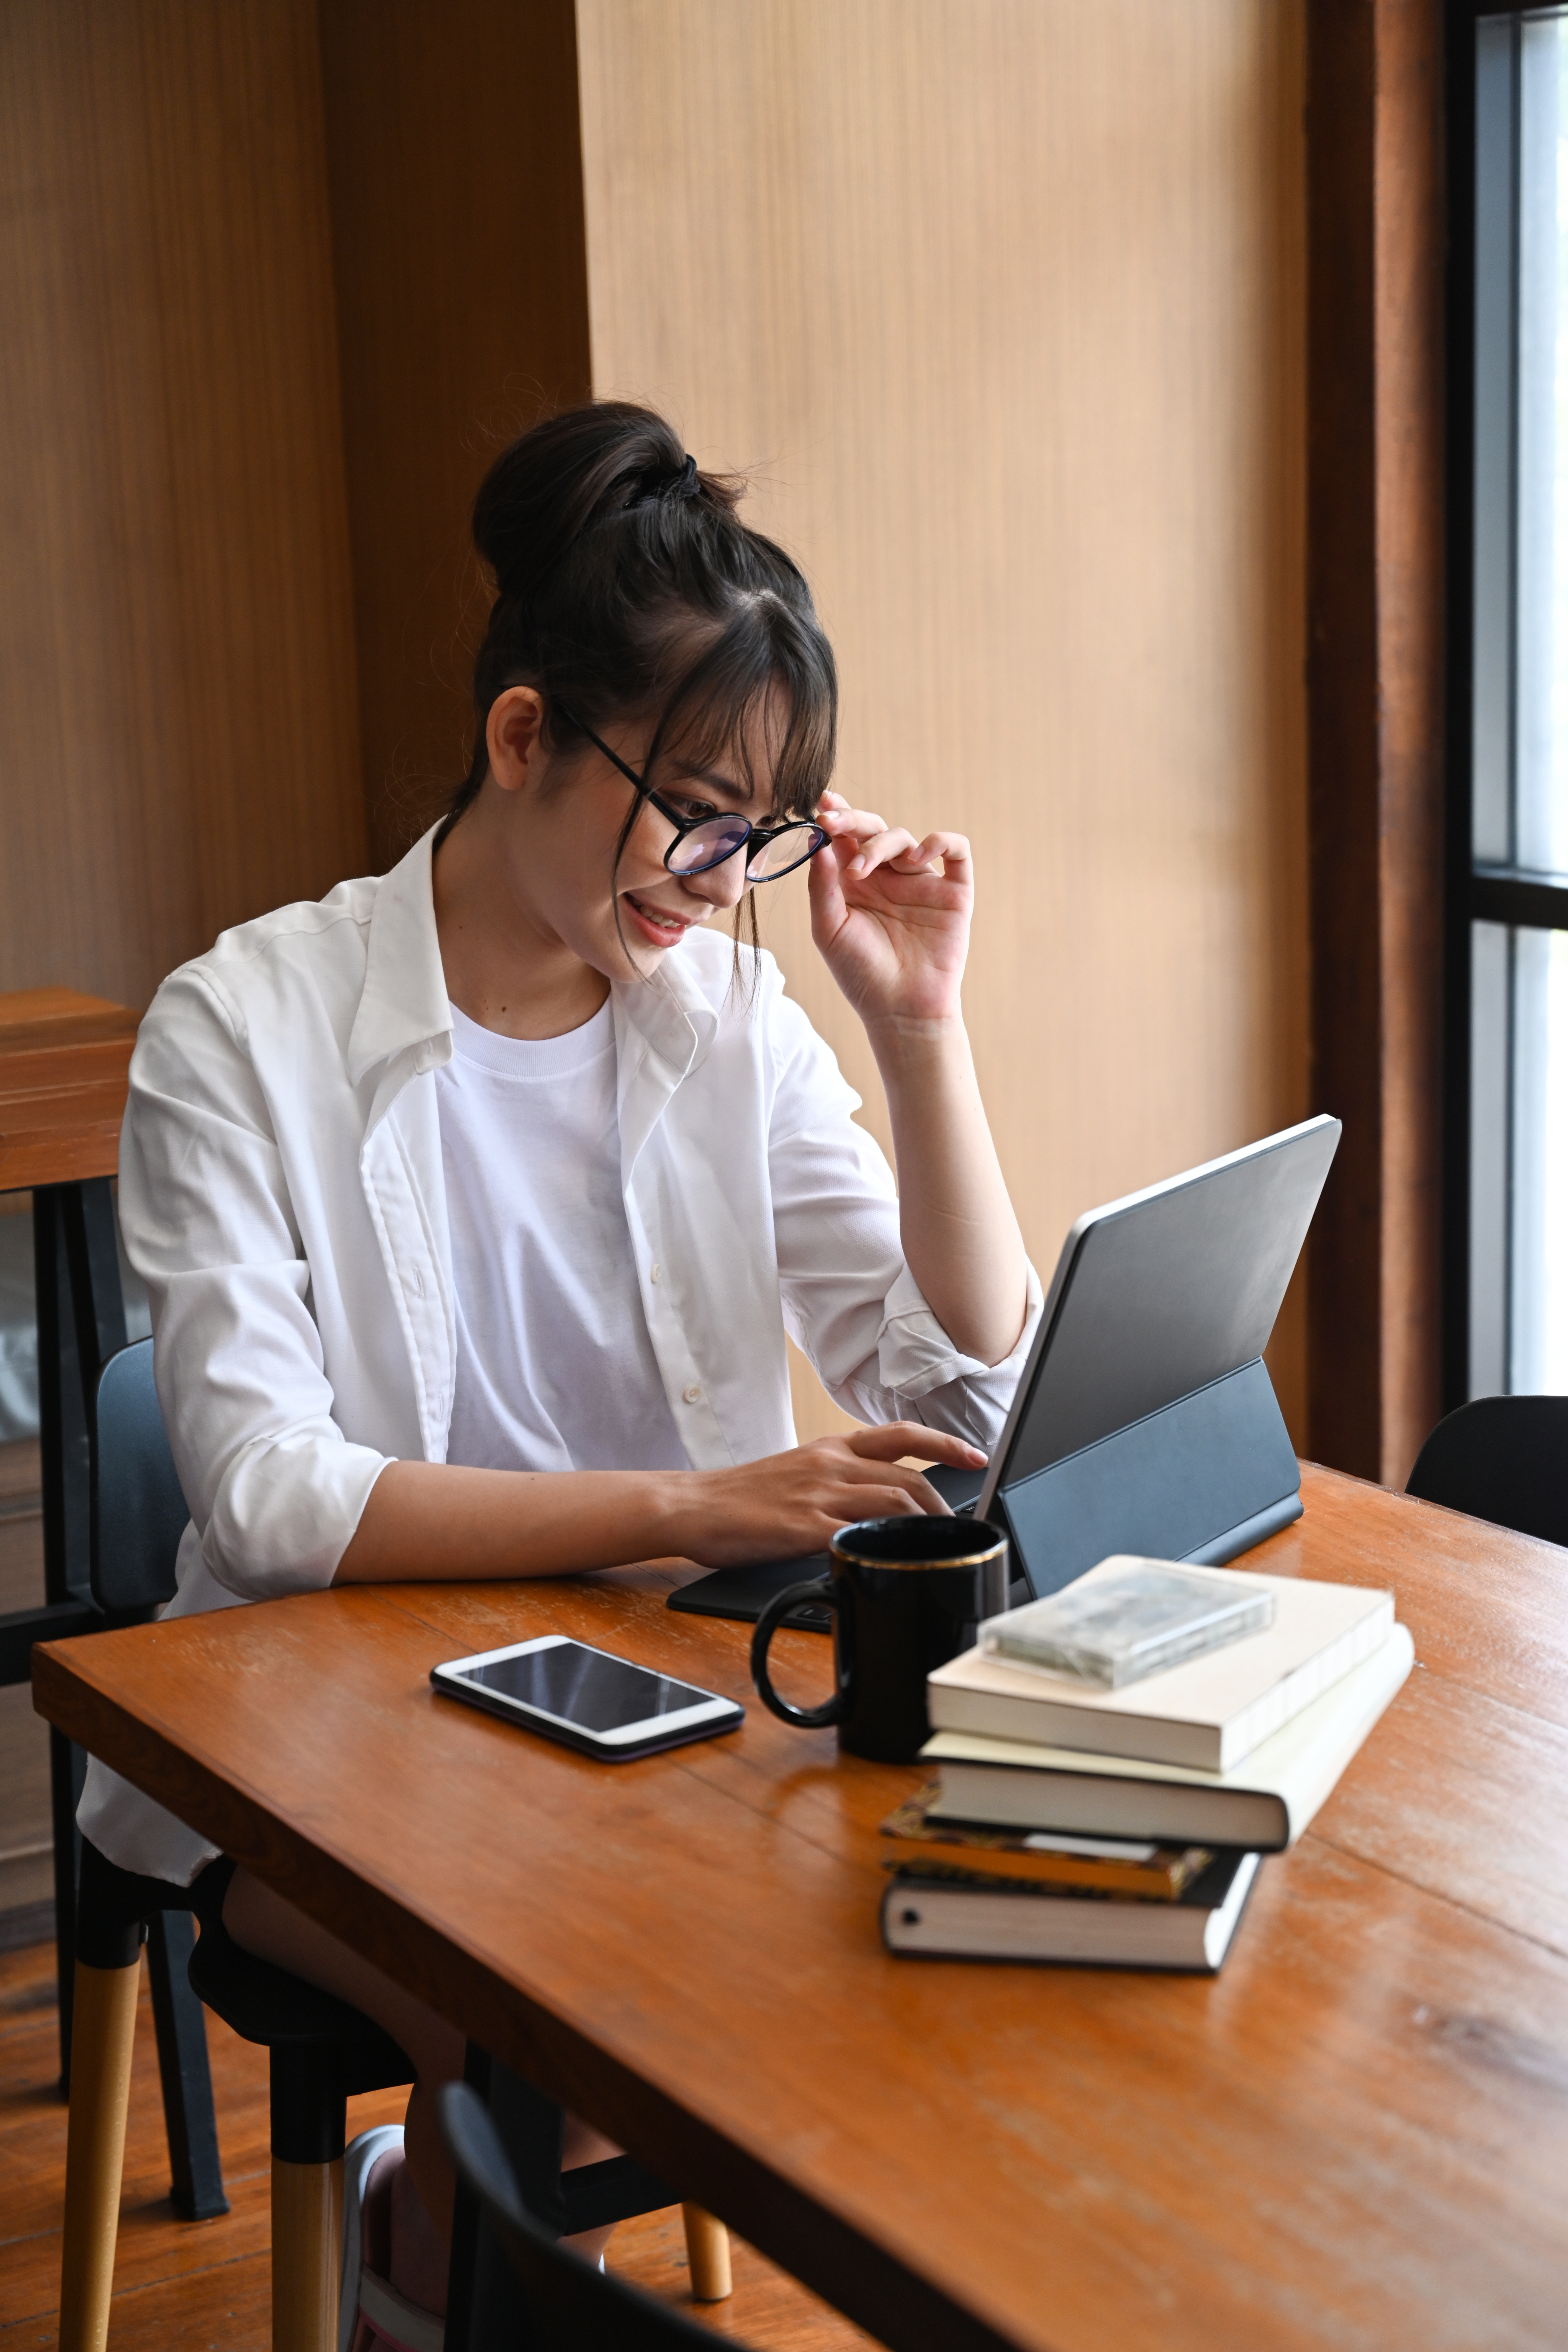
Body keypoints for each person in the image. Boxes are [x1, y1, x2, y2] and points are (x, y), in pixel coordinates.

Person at [77, 401, 1040, 2330]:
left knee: (940, 1946)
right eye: (693, 807)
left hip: (652, 1714)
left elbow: (963, 1390)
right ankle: (447, 2265)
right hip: (311, 1739)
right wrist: (696, 1506)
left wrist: (921, 1035)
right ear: (525, 737)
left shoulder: (733, 1013)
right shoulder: (241, 1028)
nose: (715, 873)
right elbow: (267, 1501)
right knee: (594, 2022)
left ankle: (435, 2265)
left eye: (758, 831)